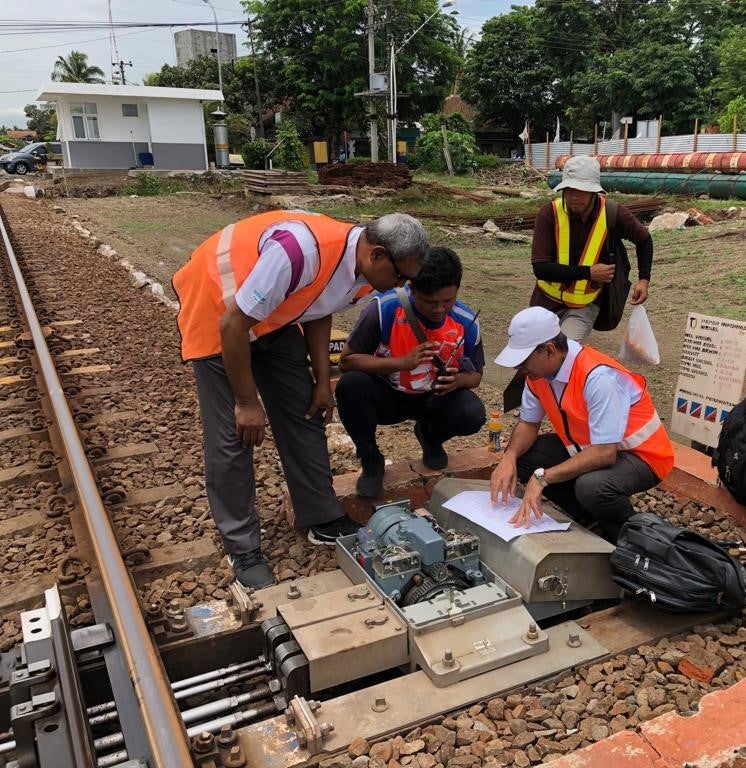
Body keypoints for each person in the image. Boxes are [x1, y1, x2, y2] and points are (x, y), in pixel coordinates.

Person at [172, 211, 429, 588]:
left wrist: (323, 381)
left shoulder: (364, 269)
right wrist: (247, 402)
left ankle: (322, 517)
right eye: (402, 277)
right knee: (233, 435)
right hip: (218, 311)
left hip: (274, 317)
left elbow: (319, 308)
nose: (402, 286)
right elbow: (234, 324)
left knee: (307, 409)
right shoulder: (299, 253)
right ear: (376, 255)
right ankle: (242, 547)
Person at [490, 306, 674, 542]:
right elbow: (528, 424)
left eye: (523, 361)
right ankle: (591, 521)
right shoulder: (537, 376)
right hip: (589, 447)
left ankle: (632, 541)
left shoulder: (597, 376)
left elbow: (604, 453)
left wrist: (543, 477)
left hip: (641, 455)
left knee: (592, 487)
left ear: (549, 350)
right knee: (524, 457)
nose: (519, 368)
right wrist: (509, 456)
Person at [337, 246, 486, 496]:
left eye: (447, 301)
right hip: (389, 396)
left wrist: (458, 380)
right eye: (430, 302)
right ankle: (371, 460)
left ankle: (430, 435)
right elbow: (347, 362)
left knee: (472, 413)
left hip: (433, 399)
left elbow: (476, 376)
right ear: (412, 289)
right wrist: (401, 363)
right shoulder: (384, 309)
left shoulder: (465, 321)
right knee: (350, 386)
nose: (439, 309)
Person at [530, 154, 654, 341]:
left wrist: (644, 280)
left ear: (594, 192)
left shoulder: (613, 213)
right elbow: (540, 268)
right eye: (568, 190)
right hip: (546, 300)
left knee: (564, 349)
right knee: (533, 351)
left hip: (585, 303)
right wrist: (589, 273)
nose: (573, 197)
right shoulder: (549, 214)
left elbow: (644, 240)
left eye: (581, 190)